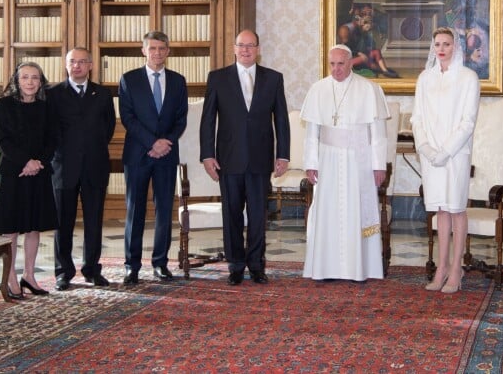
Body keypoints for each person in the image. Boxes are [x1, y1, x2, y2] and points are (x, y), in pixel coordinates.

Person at [199, 29, 290, 285]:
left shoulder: (273, 79)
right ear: (234, 48)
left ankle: (257, 265)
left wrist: (282, 154)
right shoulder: (218, 78)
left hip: (261, 159)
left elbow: (281, 119)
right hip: (229, 159)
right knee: (232, 215)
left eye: (251, 46)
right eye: (241, 45)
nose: (246, 50)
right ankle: (236, 265)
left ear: (258, 49)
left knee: (259, 215)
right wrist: (207, 155)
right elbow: (208, 120)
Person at [300, 44, 390, 281]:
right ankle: (325, 268)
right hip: (327, 160)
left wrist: (379, 165)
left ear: (350, 63)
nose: (336, 69)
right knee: (327, 211)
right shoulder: (318, 89)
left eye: (341, 64)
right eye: (332, 64)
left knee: (355, 210)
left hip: (357, 160)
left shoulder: (369, 89)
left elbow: (378, 133)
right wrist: (311, 163)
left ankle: (358, 268)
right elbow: (311, 133)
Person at [411, 27, 480, 293]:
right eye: (437, 44)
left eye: (447, 44)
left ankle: (456, 270)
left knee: (456, 208)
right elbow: (417, 118)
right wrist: (426, 148)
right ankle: (440, 268)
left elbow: (468, 122)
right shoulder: (424, 78)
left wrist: (446, 150)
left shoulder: (467, 77)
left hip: (455, 155)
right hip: (430, 156)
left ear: (456, 46)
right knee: (440, 209)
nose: (441, 49)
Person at [119, 31, 188, 284]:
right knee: (134, 210)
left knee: (163, 211)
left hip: (167, 155)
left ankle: (160, 263)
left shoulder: (179, 81)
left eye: (162, 48)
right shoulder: (129, 79)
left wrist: (164, 144)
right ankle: (131, 265)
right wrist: (152, 143)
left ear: (168, 52)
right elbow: (128, 118)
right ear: (144, 51)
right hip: (138, 154)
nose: (157, 53)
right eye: (152, 48)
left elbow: (181, 119)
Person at [47, 47, 116, 291]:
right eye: (72, 62)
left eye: (82, 62)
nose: (77, 66)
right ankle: (63, 272)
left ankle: (91, 270)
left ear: (90, 65)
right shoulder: (53, 93)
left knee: (94, 222)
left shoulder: (103, 94)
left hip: (95, 166)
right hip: (63, 168)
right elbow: (49, 131)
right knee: (62, 223)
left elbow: (108, 128)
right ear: (66, 65)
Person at [0, 62, 57, 299]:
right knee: (12, 228)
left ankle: (29, 275)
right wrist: (26, 162)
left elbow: (52, 141)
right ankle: (10, 278)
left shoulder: (46, 108)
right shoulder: (2, 106)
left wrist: (37, 163)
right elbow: (2, 141)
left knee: (34, 226)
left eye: (35, 78)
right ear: (16, 81)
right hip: (12, 173)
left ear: (41, 82)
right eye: (25, 77)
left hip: (39, 172)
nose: (30, 82)